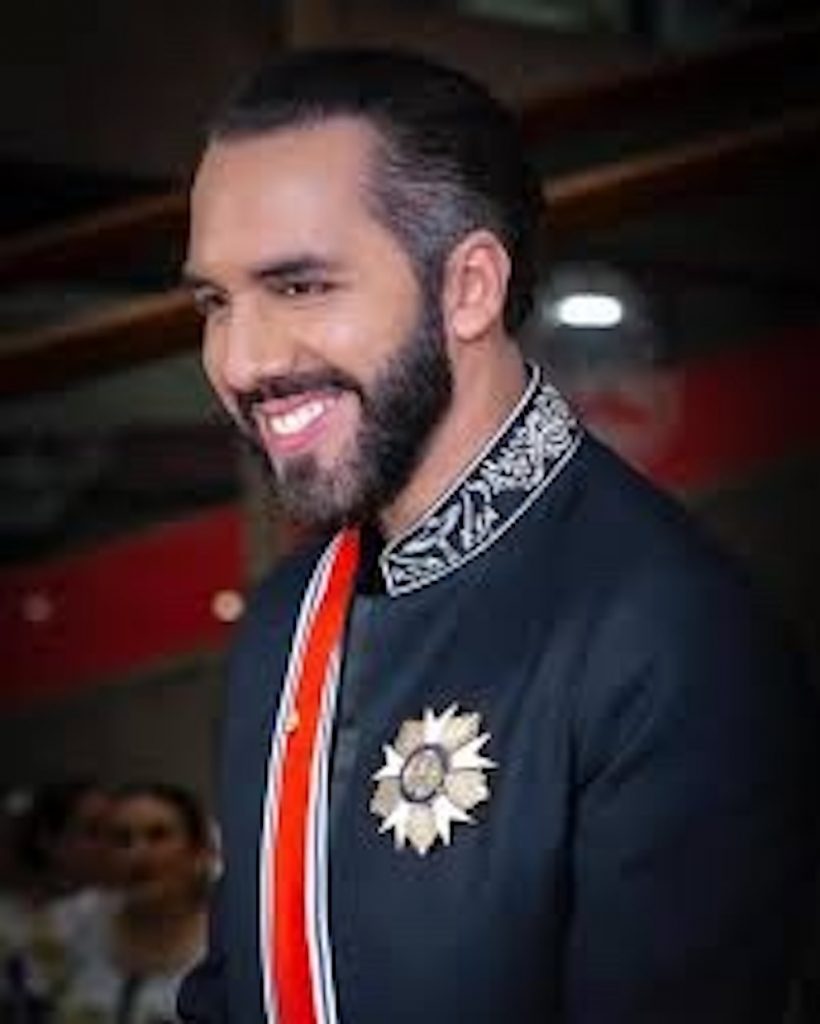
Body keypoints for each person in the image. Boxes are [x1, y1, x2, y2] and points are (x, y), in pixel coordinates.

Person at [179, 48, 818, 1024]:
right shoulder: (284, 624)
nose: (241, 359)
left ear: (468, 287)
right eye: (214, 302)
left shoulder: (674, 639)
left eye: (300, 287)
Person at [57, 783, 215, 1024]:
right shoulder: (75, 925)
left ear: (198, 852)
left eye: (158, 835)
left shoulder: (224, 947)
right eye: (122, 839)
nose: (138, 854)